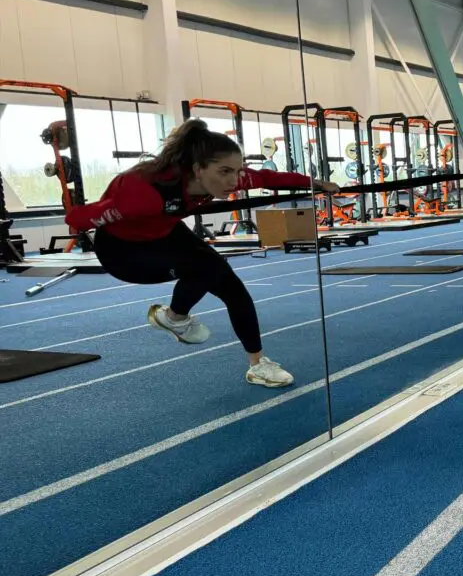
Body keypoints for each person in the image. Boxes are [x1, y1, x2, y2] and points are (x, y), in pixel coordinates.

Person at [65, 118, 340, 388]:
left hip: (165, 232)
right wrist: (110, 213)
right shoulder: (145, 192)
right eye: (225, 172)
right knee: (204, 266)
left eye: (237, 171)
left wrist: (314, 182)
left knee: (233, 287)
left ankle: (258, 365)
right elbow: (78, 219)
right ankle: (173, 317)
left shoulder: (221, 178)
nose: (234, 181)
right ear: (198, 169)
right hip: (123, 252)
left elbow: (267, 176)